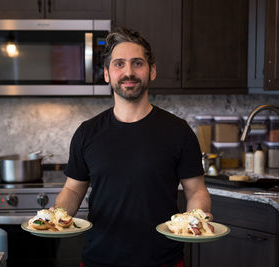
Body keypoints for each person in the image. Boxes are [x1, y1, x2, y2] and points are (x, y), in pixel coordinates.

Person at [55, 28, 212, 267]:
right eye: (119, 64)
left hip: (163, 260)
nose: (129, 72)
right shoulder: (87, 132)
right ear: (107, 74)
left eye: (137, 63)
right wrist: (56, 216)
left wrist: (197, 218)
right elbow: (73, 190)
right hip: (99, 259)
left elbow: (196, 191)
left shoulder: (178, 131)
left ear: (152, 70)